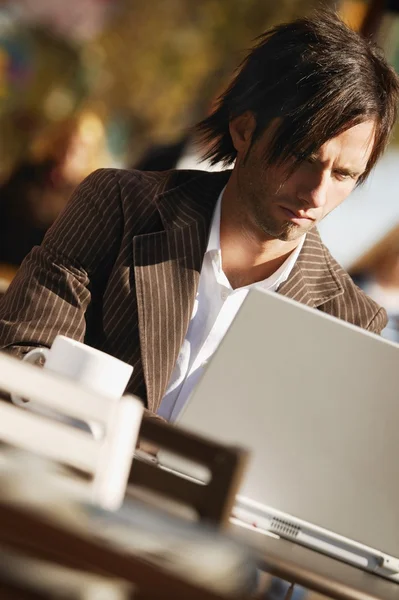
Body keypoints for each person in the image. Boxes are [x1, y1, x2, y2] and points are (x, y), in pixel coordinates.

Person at [0, 11, 398, 423]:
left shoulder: (348, 319)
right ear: (244, 131)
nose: (316, 193)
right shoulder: (119, 206)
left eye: (344, 174)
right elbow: (21, 348)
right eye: (301, 157)